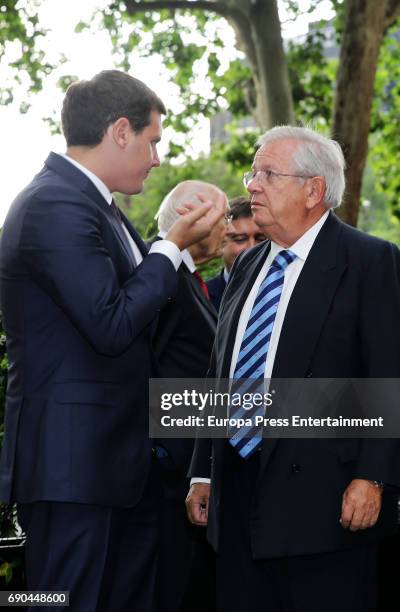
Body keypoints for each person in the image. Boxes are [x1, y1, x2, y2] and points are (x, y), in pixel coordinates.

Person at [0, 70, 225, 612]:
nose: (156, 158)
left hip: (118, 468)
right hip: (73, 470)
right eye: (153, 141)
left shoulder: (100, 207)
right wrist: (171, 247)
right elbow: (111, 324)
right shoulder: (55, 204)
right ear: (120, 131)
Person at [187, 125, 400, 612]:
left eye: (267, 174)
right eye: (252, 173)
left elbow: (389, 375)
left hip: (325, 505)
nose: (252, 185)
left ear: (313, 190)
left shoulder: (370, 261)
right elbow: (221, 369)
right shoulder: (245, 265)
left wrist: (374, 477)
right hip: (237, 500)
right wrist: (202, 471)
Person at [152, 180, 227, 612]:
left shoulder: (189, 279)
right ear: (193, 221)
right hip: (167, 481)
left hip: (188, 476)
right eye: (223, 218)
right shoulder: (160, 277)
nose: (228, 227)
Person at [206, 196, 266, 310]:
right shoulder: (203, 296)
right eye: (240, 239)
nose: (252, 247)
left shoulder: (285, 290)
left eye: (261, 239)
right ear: (221, 242)